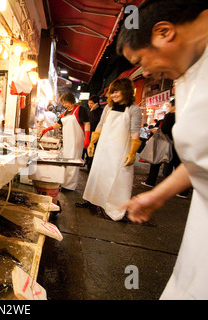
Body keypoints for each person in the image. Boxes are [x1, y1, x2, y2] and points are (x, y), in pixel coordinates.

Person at [117, 0, 208, 299]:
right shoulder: (186, 73)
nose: (145, 71)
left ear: (165, 32)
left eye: (142, 59)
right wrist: (157, 195)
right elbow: (201, 157)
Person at [79, 78, 142, 221]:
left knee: (118, 177)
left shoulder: (133, 109)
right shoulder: (108, 108)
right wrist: (92, 143)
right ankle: (93, 200)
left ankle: (116, 207)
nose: (113, 95)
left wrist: (132, 152)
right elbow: (100, 126)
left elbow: (135, 131)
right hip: (104, 147)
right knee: (99, 172)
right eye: (112, 93)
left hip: (121, 149)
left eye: (116, 92)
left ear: (125, 91)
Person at [41, 92, 90, 191]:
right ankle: (64, 184)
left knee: (73, 162)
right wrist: (47, 128)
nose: (65, 105)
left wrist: (87, 138)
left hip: (76, 141)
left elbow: (87, 123)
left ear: (72, 100)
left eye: (67, 102)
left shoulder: (80, 110)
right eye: (63, 103)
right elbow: (58, 125)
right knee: (66, 162)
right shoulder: (65, 113)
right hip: (67, 141)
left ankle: (70, 186)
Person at [141, 100, 190, 197]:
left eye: (170, 106)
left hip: (168, 143)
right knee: (179, 166)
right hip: (180, 144)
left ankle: (151, 181)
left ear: (174, 106)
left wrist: (156, 131)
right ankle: (183, 191)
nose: (169, 108)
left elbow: (164, 130)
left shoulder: (170, 116)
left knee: (156, 162)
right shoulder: (185, 117)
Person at [85, 95, 103, 171]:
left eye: (92, 103)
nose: (90, 105)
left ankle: (91, 167)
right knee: (88, 150)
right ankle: (88, 164)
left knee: (94, 151)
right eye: (89, 103)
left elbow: (98, 122)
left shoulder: (101, 111)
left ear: (96, 103)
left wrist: (92, 110)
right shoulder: (90, 111)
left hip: (97, 135)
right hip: (89, 134)